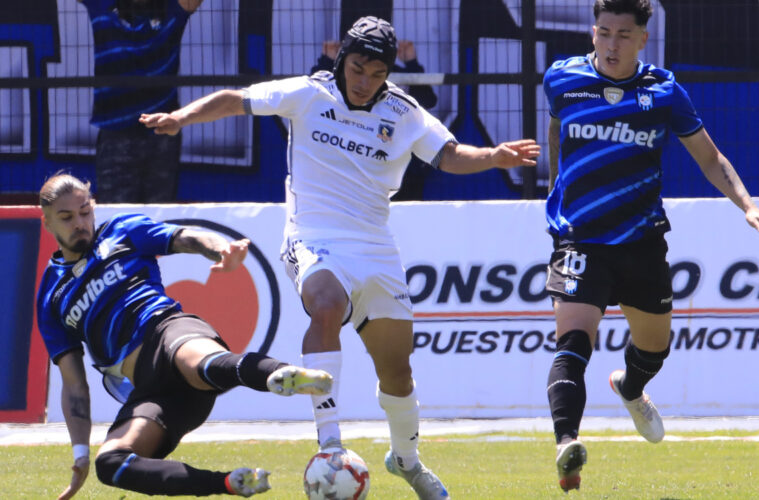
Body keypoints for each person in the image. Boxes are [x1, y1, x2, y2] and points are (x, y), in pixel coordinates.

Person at [141, 16, 540, 500]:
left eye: (376, 73)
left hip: (374, 246)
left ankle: (407, 462)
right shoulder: (307, 93)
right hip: (312, 235)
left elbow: (448, 154)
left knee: (397, 370)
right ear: (341, 60)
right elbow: (235, 99)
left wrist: (492, 157)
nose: (364, 80)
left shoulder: (404, 110)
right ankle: (330, 445)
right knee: (325, 303)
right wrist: (180, 118)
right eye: (357, 67)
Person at [542, 0, 759, 492]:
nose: (611, 44)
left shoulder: (664, 92)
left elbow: (711, 159)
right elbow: (556, 131)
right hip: (578, 237)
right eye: (603, 32)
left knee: (654, 348)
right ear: (592, 32)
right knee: (573, 341)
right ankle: (567, 445)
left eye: (623, 35)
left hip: (640, 241)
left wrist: (748, 206)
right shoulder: (561, 78)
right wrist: (553, 187)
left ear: (643, 39)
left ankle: (631, 388)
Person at [36, 173, 333, 499]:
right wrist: (80, 454)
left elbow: (184, 237)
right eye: (66, 217)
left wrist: (220, 248)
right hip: (153, 390)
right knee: (111, 464)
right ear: (48, 222)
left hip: (166, 331)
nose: (80, 223)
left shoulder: (122, 231)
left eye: (85, 212)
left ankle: (281, 374)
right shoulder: (51, 296)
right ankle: (228, 483)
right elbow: (74, 384)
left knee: (203, 364)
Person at [77, 0, 202, 203]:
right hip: (116, 134)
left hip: (162, 131)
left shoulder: (172, 9)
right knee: (117, 218)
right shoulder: (101, 4)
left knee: (160, 219)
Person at [311, 38, 438, 201]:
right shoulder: (343, 78)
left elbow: (427, 100)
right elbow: (314, 96)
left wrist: (411, 64)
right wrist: (327, 61)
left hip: (399, 168)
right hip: (354, 166)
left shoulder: (396, 75)